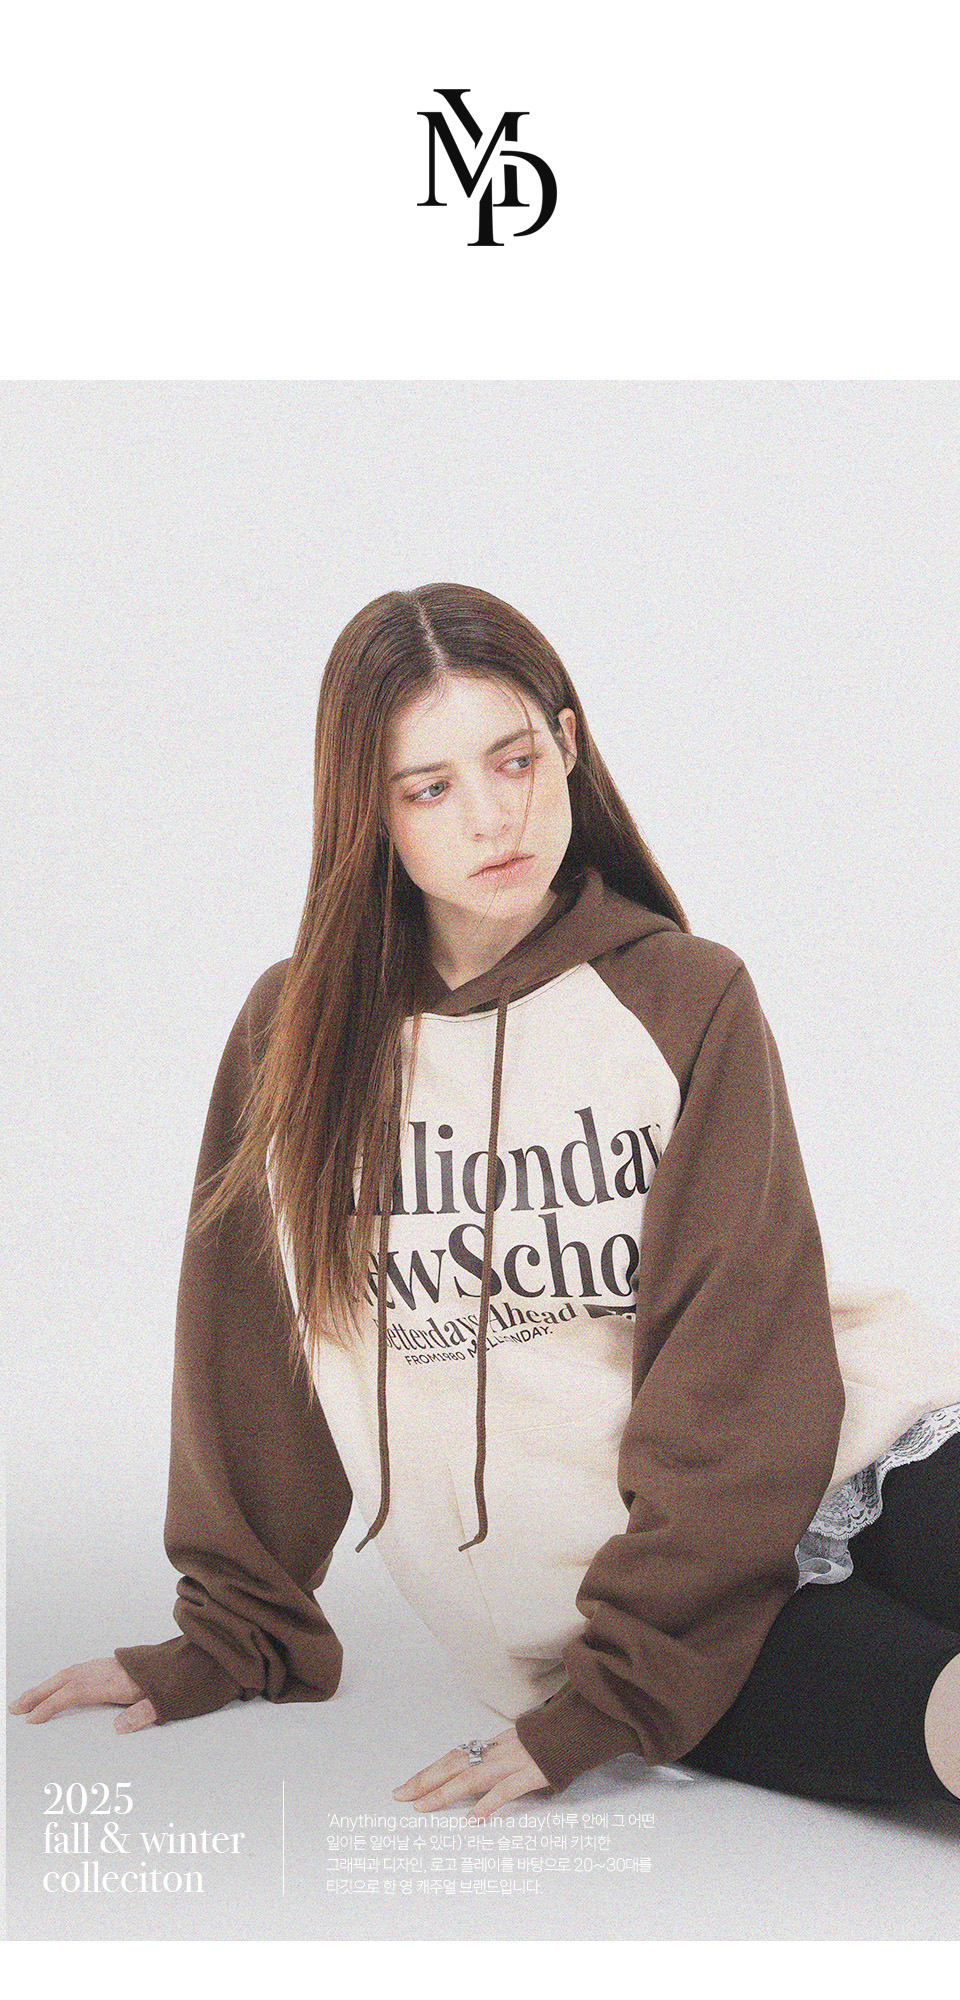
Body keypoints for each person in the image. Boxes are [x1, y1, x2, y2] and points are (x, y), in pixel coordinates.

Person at [11, 583, 960, 1820]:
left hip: (853, 1443)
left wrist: (618, 1693)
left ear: (567, 745)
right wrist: (236, 1626)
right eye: (429, 787)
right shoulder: (293, 1040)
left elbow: (737, 1349)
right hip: (623, 1604)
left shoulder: (685, 996)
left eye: (514, 759)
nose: (493, 814)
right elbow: (250, 1353)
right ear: (369, 810)